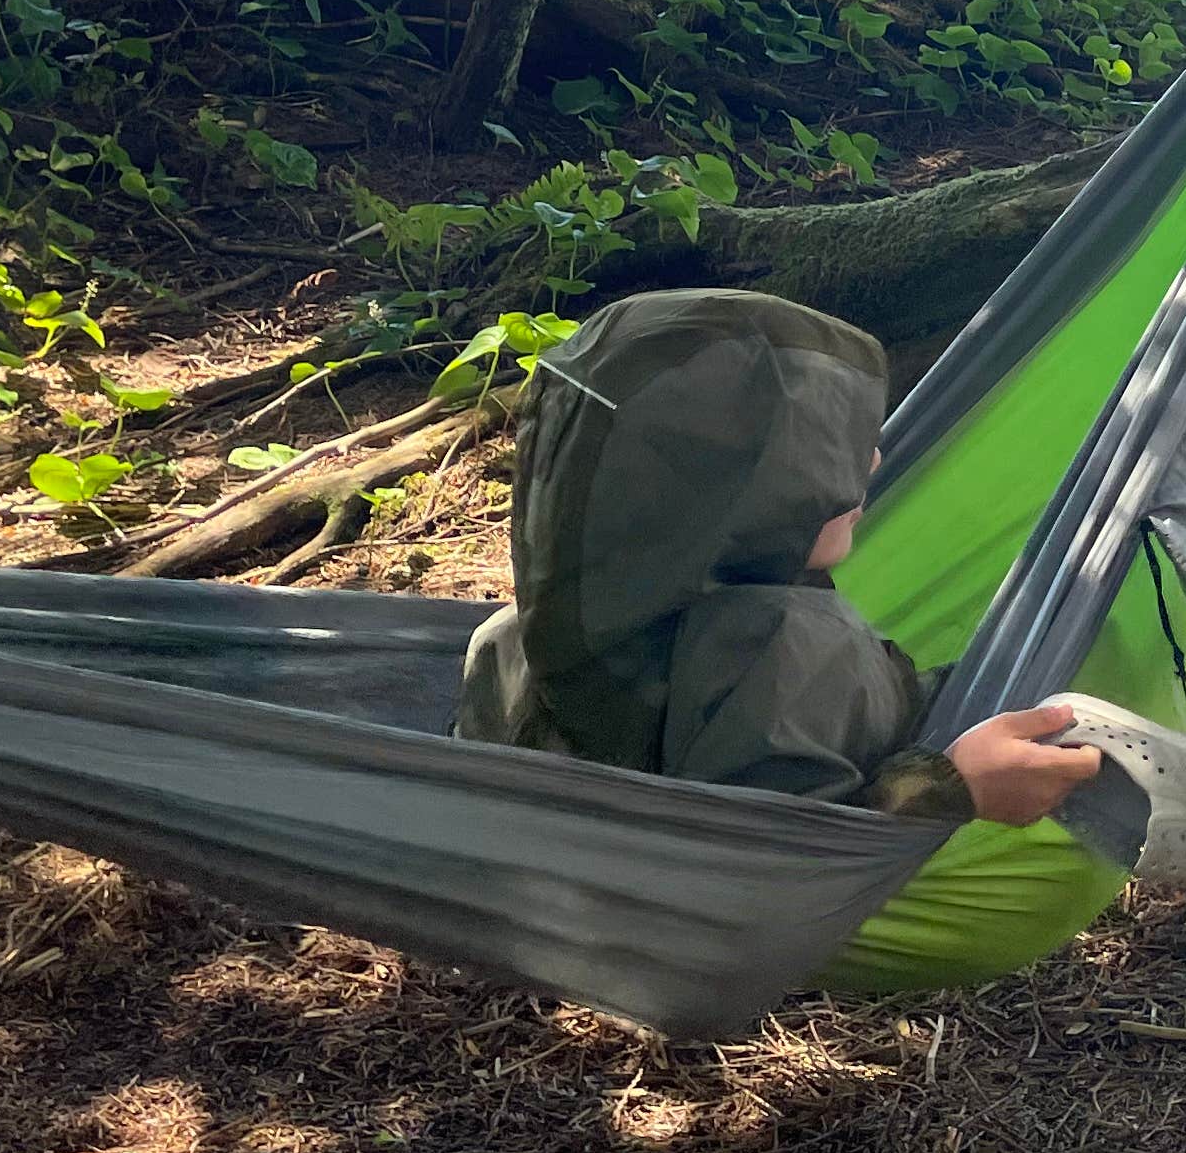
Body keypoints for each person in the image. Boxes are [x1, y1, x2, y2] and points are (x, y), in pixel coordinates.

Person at [452, 289, 1099, 823]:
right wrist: (960, 787)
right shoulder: (792, 654)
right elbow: (774, 866)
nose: (870, 464)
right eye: (820, 455)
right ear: (722, 492)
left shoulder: (521, 636)